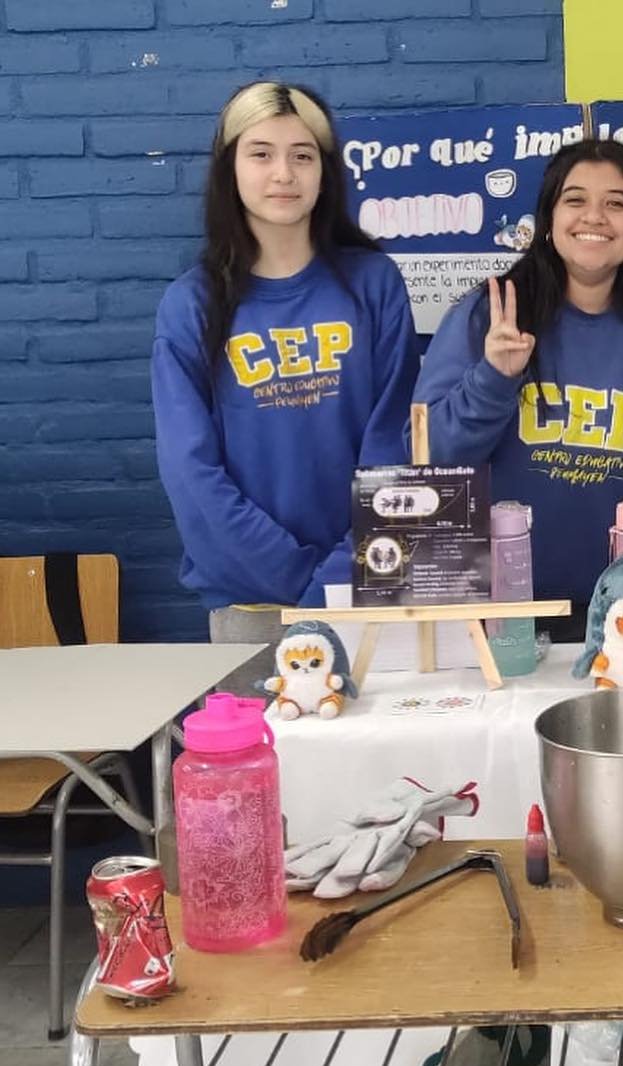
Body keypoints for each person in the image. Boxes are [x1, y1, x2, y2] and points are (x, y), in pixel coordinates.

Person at [153, 81, 419, 690]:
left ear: (325, 172)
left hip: (367, 586)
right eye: (261, 154)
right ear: (230, 168)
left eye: (303, 155)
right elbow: (191, 472)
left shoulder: (373, 284)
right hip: (250, 605)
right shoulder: (191, 305)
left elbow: (395, 442)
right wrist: (299, 578)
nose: (283, 173)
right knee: (255, 756)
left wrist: (340, 572)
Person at [416, 138, 623, 636]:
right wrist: (493, 378)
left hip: (614, 623)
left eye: (616, 203)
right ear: (548, 220)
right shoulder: (489, 316)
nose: (594, 216)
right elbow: (428, 460)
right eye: (575, 200)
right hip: (490, 621)